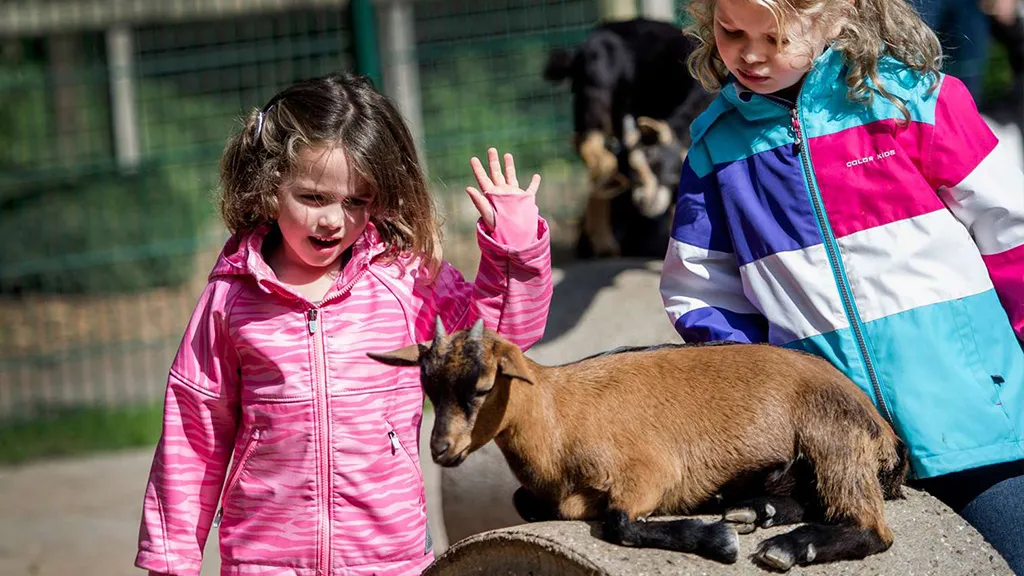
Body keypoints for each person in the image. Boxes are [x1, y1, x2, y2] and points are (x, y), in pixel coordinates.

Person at [134, 72, 553, 576]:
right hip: (264, 561)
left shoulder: (407, 280)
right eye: (313, 197)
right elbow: (193, 433)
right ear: (270, 187)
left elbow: (503, 337)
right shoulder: (230, 297)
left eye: (356, 201)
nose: (335, 219)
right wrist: (171, 560)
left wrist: (516, 249)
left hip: (386, 557)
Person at [661, 0, 1024, 570]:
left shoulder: (918, 100)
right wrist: (767, 396)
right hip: (835, 442)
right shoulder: (715, 147)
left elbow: (1013, 233)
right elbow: (700, 289)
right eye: (731, 32)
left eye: (775, 38)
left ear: (837, 15)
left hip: (974, 416)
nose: (750, 54)